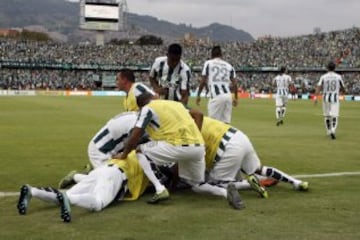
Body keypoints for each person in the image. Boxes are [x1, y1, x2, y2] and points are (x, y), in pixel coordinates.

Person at [114, 92, 243, 209]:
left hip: (177, 145)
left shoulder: (147, 108)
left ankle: (160, 189)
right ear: (155, 96)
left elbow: (135, 135)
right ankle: (225, 193)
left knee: (139, 151)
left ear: (141, 105)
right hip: (198, 147)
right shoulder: (176, 104)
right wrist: (194, 137)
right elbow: (198, 114)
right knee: (196, 185)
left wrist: (124, 154)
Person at [17, 151, 149, 223]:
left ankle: (32, 191)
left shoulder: (129, 151)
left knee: (62, 197)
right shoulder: (147, 159)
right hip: (115, 175)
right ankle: (70, 199)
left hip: (100, 171)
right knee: (98, 203)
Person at [201, 116, 309, 198]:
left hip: (226, 146)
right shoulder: (203, 119)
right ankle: (296, 182)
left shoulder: (189, 126)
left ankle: (248, 183)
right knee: (258, 169)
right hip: (238, 135)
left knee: (217, 184)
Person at [58, 111, 139, 188]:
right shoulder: (138, 124)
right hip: (100, 151)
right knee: (109, 184)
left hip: (110, 147)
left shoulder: (136, 116)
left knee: (123, 176)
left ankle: (92, 171)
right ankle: (75, 177)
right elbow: (131, 143)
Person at [196, 45, 238, 124]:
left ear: (211, 55)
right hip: (228, 96)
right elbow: (235, 83)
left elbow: (203, 80)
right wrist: (235, 98)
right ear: (221, 55)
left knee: (212, 124)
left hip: (216, 96)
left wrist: (198, 94)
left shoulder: (208, 63)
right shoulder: (229, 65)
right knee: (226, 124)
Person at [314, 61, 346, 140]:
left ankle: (328, 130)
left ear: (327, 68)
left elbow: (318, 87)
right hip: (335, 98)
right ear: (334, 68)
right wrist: (343, 92)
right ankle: (333, 130)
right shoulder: (338, 76)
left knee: (327, 115)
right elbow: (343, 88)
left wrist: (315, 98)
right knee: (335, 115)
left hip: (325, 97)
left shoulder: (323, 76)